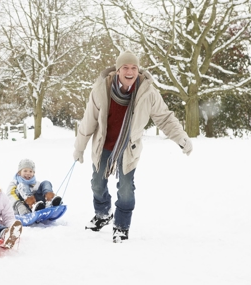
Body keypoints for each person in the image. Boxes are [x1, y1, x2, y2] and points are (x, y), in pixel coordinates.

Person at [73, 50, 193, 243]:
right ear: (118, 70)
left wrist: (181, 138)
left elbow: (164, 117)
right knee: (97, 184)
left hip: (129, 149)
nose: (130, 72)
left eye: (134, 68)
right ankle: (103, 214)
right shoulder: (101, 89)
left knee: (126, 189)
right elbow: (89, 121)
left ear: (138, 70)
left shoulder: (147, 92)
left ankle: (121, 226)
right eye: (126, 68)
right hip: (103, 146)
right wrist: (79, 147)